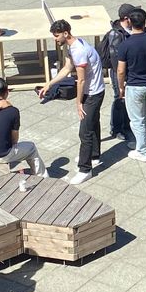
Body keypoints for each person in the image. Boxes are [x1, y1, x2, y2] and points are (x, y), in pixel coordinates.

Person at [48, 21, 106, 185]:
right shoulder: (73, 45)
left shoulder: (79, 50)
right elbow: (67, 69)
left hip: (92, 93)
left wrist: (78, 103)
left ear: (65, 33)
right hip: (96, 90)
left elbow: (80, 80)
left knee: (85, 131)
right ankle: (94, 156)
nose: (55, 39)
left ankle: (85, 169)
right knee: (93, 123)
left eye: (57, 35)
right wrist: (49, 84)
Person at [117, 7, 146, 163]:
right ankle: (141, 142)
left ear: (129, 22)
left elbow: (121, 70)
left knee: (136, 119)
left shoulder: (126, 45)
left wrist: (121, 87)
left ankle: (143, 151)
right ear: (145, 22)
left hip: (134, 86)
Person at [0, 78, 44, 175]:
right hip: (1, 155)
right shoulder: (13, 111)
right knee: (31, 148)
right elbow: (14, 139)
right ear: (7, 92)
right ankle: (41, 175)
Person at [99, 5, 135, 143]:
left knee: (127, 98)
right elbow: (115, 60)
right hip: (118, 72)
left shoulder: (131, 29)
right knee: (119, 97)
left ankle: (126, 124)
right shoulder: (116, 34)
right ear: (126, 18)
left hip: (129, 70)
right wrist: (123, 77)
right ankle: (116, 129)